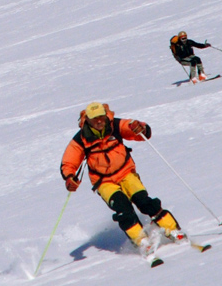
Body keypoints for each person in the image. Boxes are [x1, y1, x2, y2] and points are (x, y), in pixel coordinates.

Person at [60, 101, 184, 256]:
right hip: (104, 182)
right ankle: (141, 241)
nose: (99, 121)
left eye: (101, 117)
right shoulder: (81, 139)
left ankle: (173, 230)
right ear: (88, 120)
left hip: (126, 173)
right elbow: (69, 161)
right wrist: (70, 177)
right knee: (123, 209)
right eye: (94, 119)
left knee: (144, 202)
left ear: (105, 116)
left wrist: (140, 128)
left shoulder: (115, 125)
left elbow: (134, 127)